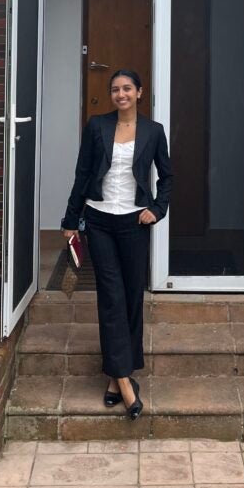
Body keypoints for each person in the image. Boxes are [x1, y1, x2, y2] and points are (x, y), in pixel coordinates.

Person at [61, 69, 173, 420]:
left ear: (139, 92)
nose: (120, 94)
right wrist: (69, 220)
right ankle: (125, 382)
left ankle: (116, 374)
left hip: (134, 222)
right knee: (110, 297)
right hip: (99, 219)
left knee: (131, 297)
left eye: (127, 89)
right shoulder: (97, 126)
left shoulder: (154, 131)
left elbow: (167, 176)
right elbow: (83, 173)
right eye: (115, 90)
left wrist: (157, 210)